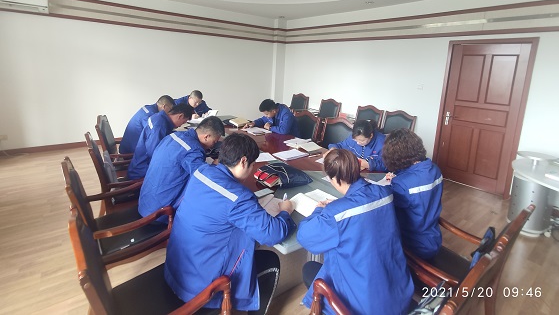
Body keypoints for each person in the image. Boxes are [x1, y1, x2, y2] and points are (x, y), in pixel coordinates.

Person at [164, 133, 296, 314]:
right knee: (270, 260)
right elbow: (274, 234)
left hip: (177, 269)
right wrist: (285, 211)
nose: (251, 169)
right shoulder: (238, 197)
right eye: (252, 165)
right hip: (200, 289)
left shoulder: (202, 172)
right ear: (243, 161)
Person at [297, 149, 414, 315]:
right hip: (398, 292)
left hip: (365, 306)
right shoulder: (385, 192)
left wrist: (319, 210)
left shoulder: (335, 213)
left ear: (333, 179)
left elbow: (305, 237)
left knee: (310, 269)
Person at [138, 116, 225, 219]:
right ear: (206, 137)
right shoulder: (193, 150)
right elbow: (204, 179)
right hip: (160, 214)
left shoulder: (174, 136)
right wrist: (215, 165)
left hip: (145, 202)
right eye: (214, 142)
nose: (213, 146)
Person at [383, 128, 443, 260]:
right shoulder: (435, 170)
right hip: (433, 237)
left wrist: (394, 182)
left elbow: (387, 206)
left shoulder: (402, 184)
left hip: (413, 244)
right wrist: (399, 177)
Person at [127, 103, 193, 180]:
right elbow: (153, 153)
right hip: (143, 169)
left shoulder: (160, 118)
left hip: (141, 163)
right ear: (180, 116)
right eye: (183, 122)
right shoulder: (159, 125)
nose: (181, 125)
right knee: (180, 173)